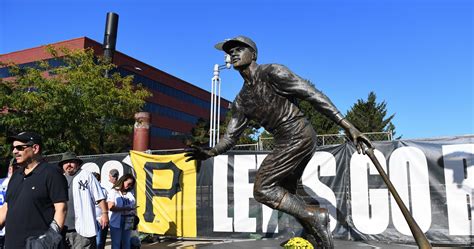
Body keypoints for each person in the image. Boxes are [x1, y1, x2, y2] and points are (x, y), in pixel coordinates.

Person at [185, 36, 373, 249]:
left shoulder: (273, 72)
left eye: (239, 49)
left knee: (263, 189)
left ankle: (315, 218)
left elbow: (312, 95)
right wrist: (210, 152)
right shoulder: (241, 99)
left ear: (253, 54)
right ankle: (315, 232)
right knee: (287, 192)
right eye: (230, 52)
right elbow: (230, 137)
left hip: (298, 133)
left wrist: (347, 125)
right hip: (286, 140)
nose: (233, 54)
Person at [0, 131, 68, 248]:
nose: (14, 151)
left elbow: (61, 209)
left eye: (20, 147)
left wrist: (49, 241)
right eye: (13, 148)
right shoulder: (16, 176)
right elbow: (6, 207)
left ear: (35, 148)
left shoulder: (51, 173)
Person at [60, 151, 109, 248]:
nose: (68, 165)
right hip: (63, 229)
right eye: (65, 162)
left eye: (71, 162)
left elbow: (99, 196)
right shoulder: (60, 178)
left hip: (83, 229)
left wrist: (104, 214)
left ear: (77, 163)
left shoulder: (87, 175)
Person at [107, 174, 137, 249]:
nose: (129, 186)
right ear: (123, 181)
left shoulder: (130, 192)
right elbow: (111, 207)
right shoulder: (113, 191)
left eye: (131, 185)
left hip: (129, 219)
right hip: (117, 220)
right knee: (116, 243)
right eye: (128, 184)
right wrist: (125, 209)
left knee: (127, 242)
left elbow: (132, 205)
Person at [0, 158, 19, 249]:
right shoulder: (2, 183)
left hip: (14, 231)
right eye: (15, 168)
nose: (18, 170)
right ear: (10, 169)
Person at [92, 172, 109, 249]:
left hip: (100, 219)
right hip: (91, 219)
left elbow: (107, 204)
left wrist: (104, 215)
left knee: (99, 242)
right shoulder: (88, 190)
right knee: (92, 241)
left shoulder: (103, 190)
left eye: (97, 179)